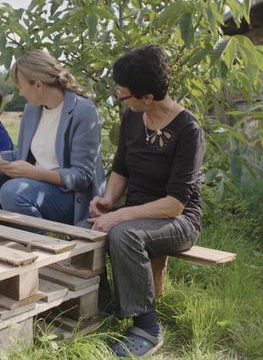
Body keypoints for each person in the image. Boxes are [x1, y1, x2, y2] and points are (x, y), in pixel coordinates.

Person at [87, 45, 205, 357]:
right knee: (85, 229)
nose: (119, 96)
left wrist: (120, 217)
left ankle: (147, 328)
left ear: (148, 96)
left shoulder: (188, 130)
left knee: (122, 234)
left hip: (178, 221)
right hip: (138, 214)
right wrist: (108, 201)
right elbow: (121, 169)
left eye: (123, 93)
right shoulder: (132, 119)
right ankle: (105, 308)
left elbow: (175, 204)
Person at [0, 49, 105, 226]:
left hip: (68, 196)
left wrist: (34, 173)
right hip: (31, 184)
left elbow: (82, 176)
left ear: (38, 85)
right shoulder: (32, 110)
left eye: (20, 87)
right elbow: (21, 155)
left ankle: (37, 247)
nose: (20, 93)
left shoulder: (83, 111)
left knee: (13, 191)